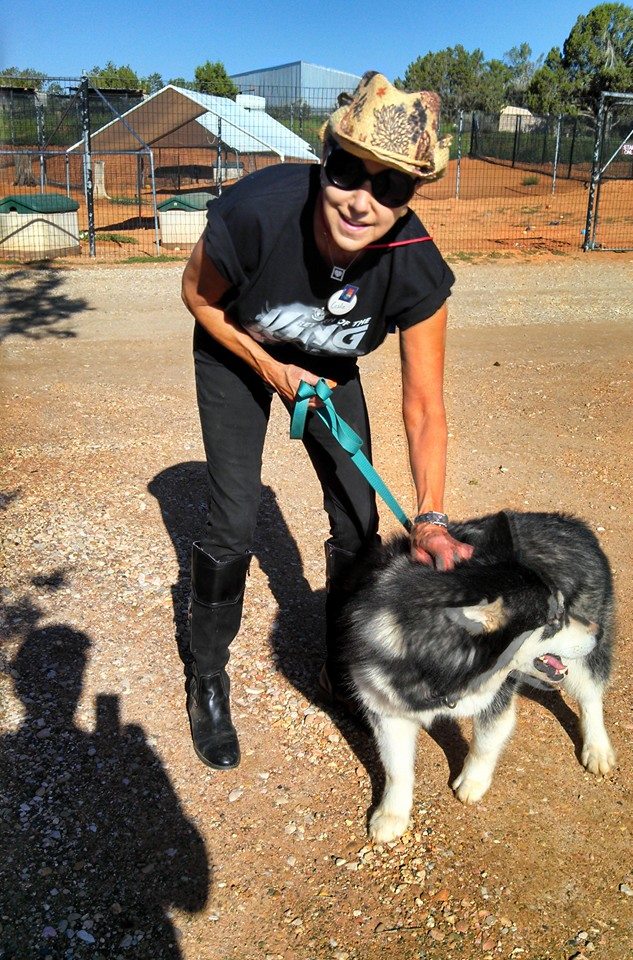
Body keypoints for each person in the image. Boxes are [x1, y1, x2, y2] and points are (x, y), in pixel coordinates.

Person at [181, 71, 473, 771]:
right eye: (348, 171)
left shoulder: (416, 269)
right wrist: (272, 370)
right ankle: (207, 676)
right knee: (234, 516)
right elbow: (197, 297)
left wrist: (431, 516)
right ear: (325, 161)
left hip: (328, 369)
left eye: (391, 186)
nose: (361, 199)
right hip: (238, 351)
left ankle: (338, 666)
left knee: (357, 520)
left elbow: (425, 406)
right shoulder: (258, 211)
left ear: (410, 200)